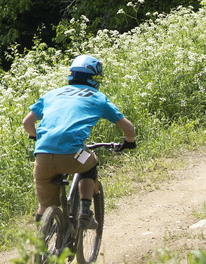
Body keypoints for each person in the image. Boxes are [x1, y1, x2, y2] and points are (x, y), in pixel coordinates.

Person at [21, 54, 136, 221]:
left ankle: (42, 239)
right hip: (73, 155)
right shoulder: (98, 98)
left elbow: (27, 122)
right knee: (90, 162)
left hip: (42, 156)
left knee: (45, 206)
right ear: (95, 78)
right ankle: (84, 211)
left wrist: (36, 137)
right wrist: (129, 142)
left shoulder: (52, 94)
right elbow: (128, 127)